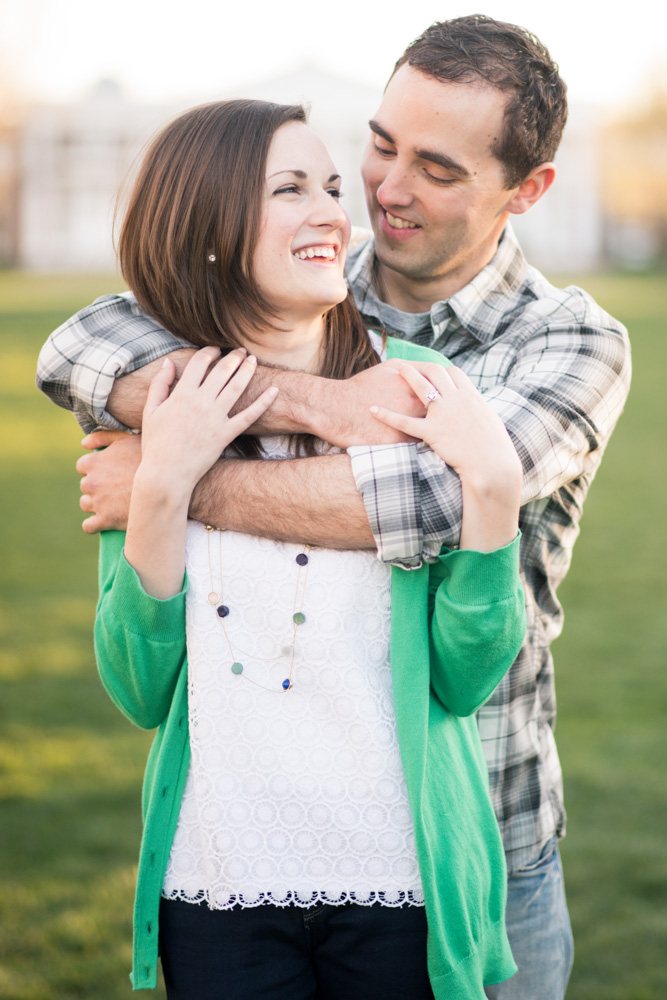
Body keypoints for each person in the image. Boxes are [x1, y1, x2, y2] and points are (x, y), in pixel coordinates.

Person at [36, 15, 632, 1000]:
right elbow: (77, 350)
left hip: (476, 832)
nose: (384, 190)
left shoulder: (567, 342)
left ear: (527, 191)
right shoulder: (302, 274)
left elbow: (429, 501)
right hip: (242, 862)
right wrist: (318, 401)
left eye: (437, 169)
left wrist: (179, 474)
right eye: (381, 144)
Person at [85, 98, 527, 998]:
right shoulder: (158, 408)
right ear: (208, 228)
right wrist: (164, 487)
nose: (336, 210)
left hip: (401, 888)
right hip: (218, 890)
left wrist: (493, 501)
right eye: (290, 190)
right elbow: (140, 691)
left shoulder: (419, 389)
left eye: (331, 185)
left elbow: (463, 677)